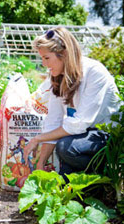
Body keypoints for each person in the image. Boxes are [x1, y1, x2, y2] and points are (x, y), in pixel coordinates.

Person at [23, 27, 120, 178]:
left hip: (107, 136)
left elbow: (80, 123)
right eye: (42, 58)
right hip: (82, 135)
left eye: (47, 58)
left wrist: (38, 139)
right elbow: (53, 121)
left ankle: (105, 175)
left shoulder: (95, 72)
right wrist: (41, 163)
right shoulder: (58, 77)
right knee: (64, 181)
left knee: (66, 147)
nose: (43, 63)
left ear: (64, 54)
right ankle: (86, 185)